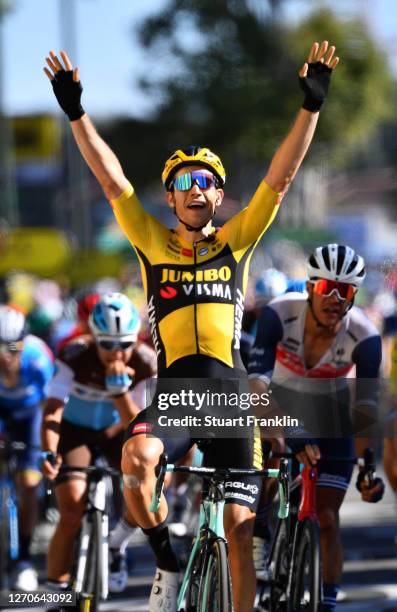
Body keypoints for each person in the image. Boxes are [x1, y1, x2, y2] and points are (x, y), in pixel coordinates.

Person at [45, 41, 339, 612]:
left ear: (219, 194)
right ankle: (166, 562)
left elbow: (281, 178)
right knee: (135, 461)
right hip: (177, 395)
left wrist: (312, 106)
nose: (196, 190)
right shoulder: (153, 244)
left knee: (236, 528)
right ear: (172, 197)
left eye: (206, 181)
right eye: (184, 183)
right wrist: (77, 114)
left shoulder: (236, 241)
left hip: (230, 399)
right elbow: (111, 181)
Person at [248, 244, 385, 612]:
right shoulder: (279, 313)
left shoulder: (366, 337)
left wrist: (368, 465)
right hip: (277, 402)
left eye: (347, 291)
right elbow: (256, 386)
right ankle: (261, 531)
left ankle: (325, 603)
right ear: (310, 287)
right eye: (328, 288)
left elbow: (365, 407)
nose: (336, 299)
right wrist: (288, 430)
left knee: (327, 518)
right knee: (268, 460)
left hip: (330, 413)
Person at [41, 293, 157, 593]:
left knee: (139, 492)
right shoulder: (74, 354)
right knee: (71, 510)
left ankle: (117, 546)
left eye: (124, 344)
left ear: (136, 340)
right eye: (107, 343)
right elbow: (53, 407)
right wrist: (49, 449)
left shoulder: (146, 362)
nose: (116, 353)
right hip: (76, 431)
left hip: (118, 432)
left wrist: (119, 393)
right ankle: (56, 590)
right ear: (93, 337)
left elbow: (140, 425)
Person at [0, 305, 54, 590]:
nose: (6, 357)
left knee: (29, 485)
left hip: (31, 414)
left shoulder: (38, 358)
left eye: (12, 348)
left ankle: (23, 559)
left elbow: (51, 407)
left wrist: (45, 448)